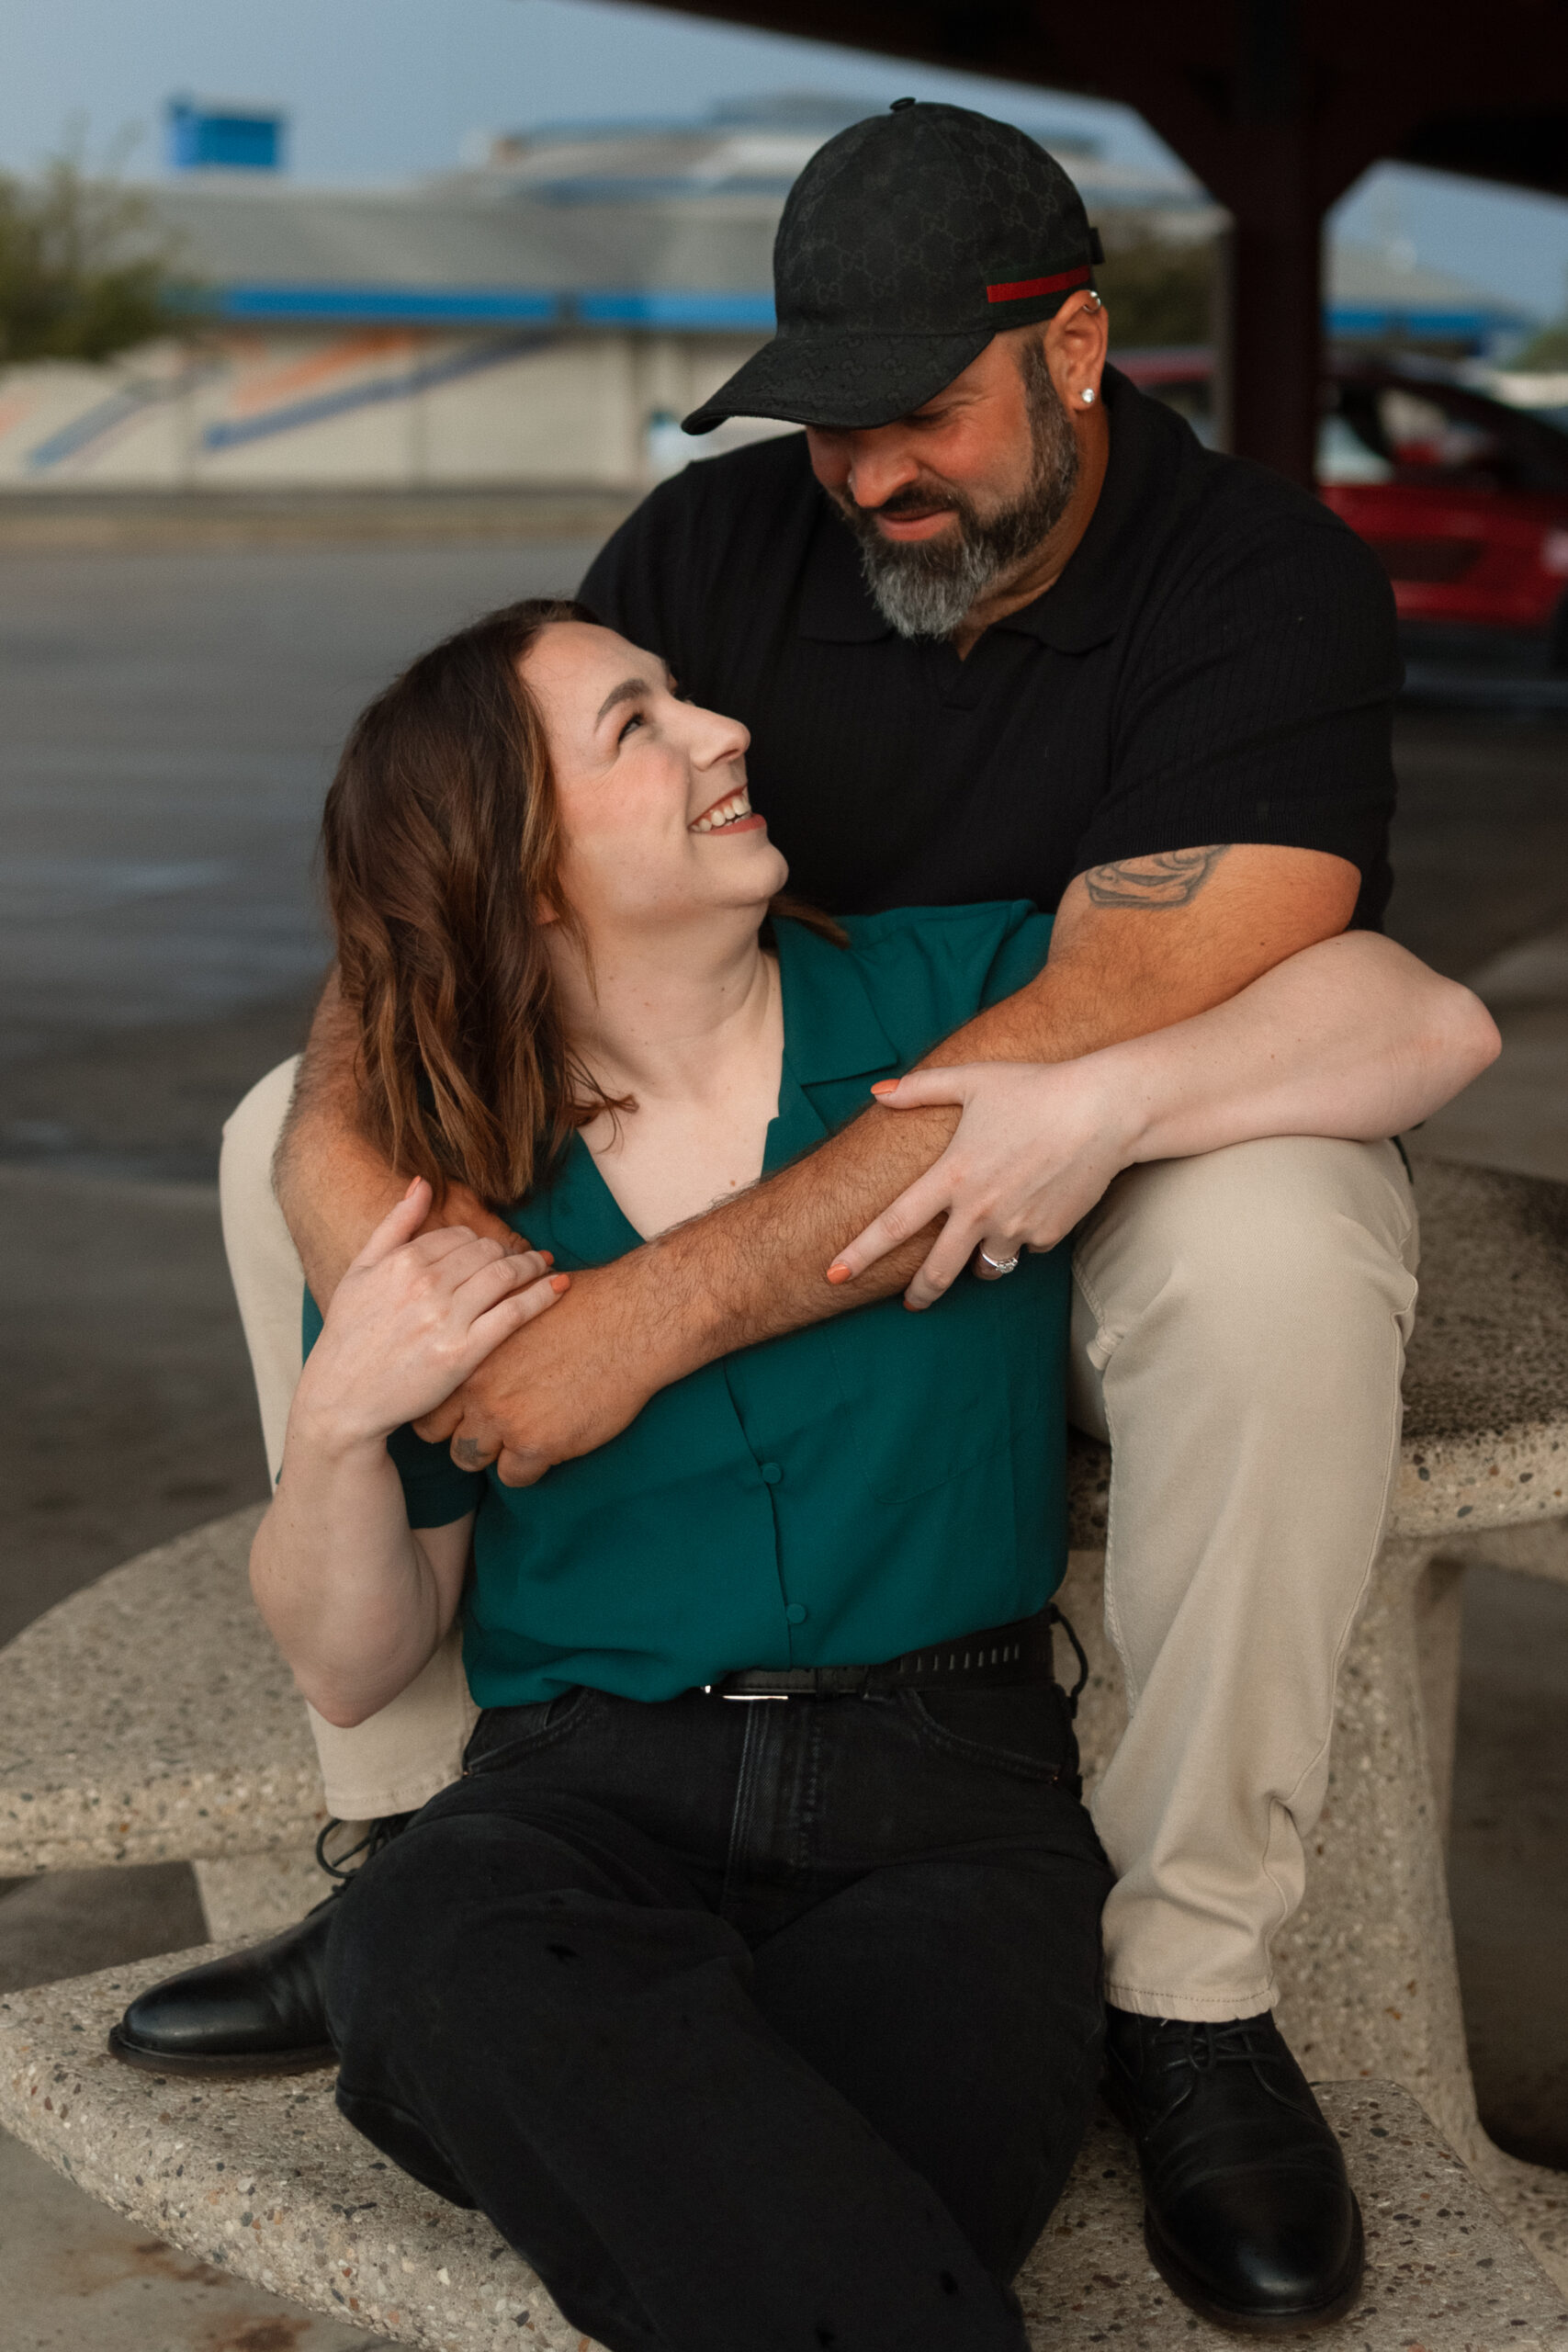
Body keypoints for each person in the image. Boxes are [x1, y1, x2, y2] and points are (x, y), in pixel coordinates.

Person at [113, 103, 1501, 2333]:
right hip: (752, 1120)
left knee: (1279, 1233)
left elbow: (1154, 988)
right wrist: (374, 1294)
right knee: (292, 1099)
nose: (860, 476)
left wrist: (645, 1317)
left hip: (1093, 1116)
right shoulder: (714, 547)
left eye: (908, 414)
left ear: (1068, 351)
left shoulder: (1255, 581)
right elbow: (449, 892)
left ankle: (1192, 1985)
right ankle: (412, 1839)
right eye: (822, 421)